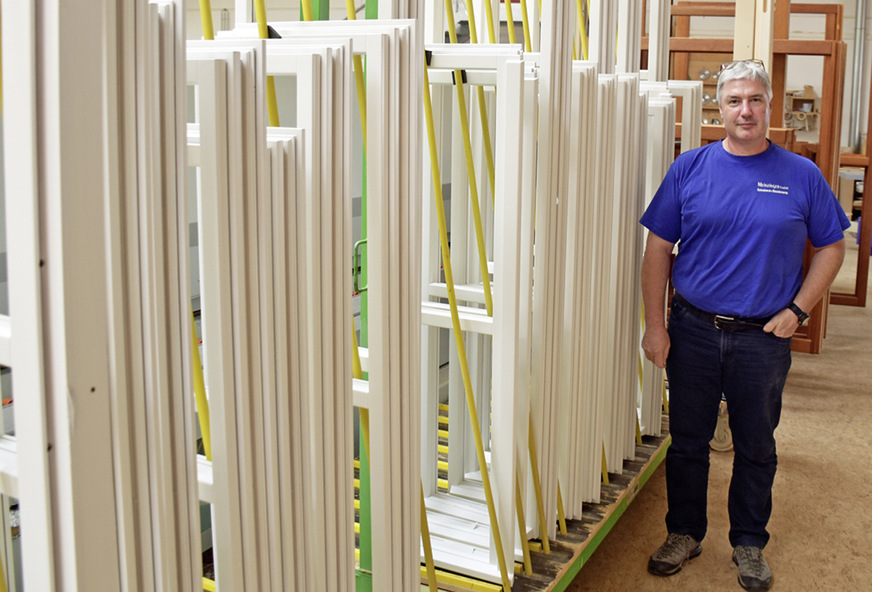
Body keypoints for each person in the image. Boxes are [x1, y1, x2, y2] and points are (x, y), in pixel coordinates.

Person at [639, 59, 849, 592]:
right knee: (687, 441)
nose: (745, 110)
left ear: (769, 106)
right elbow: (657, 250)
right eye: (734, 101)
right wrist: (655, 325)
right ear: (720, 107)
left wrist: (798, 310)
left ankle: (749, 543)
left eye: (755, 99)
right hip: (693, 329)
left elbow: (832, 245)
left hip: (763, 338)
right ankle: (684, 533)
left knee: (757, 444)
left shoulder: (800, 174)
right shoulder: (690, 168)